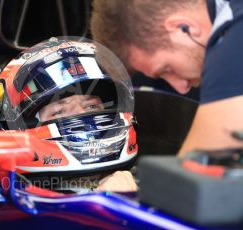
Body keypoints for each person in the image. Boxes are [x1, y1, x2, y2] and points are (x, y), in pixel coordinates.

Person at [91, 0, 243, 157]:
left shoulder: (233, 41)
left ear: (183, 28)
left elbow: (192, 175)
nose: (182, 88)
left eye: (167, 69)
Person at [0, 38, 138, 192]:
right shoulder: (11, 201)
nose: (81, 114)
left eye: (91, 106)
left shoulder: (147, 186)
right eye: (59, 111)